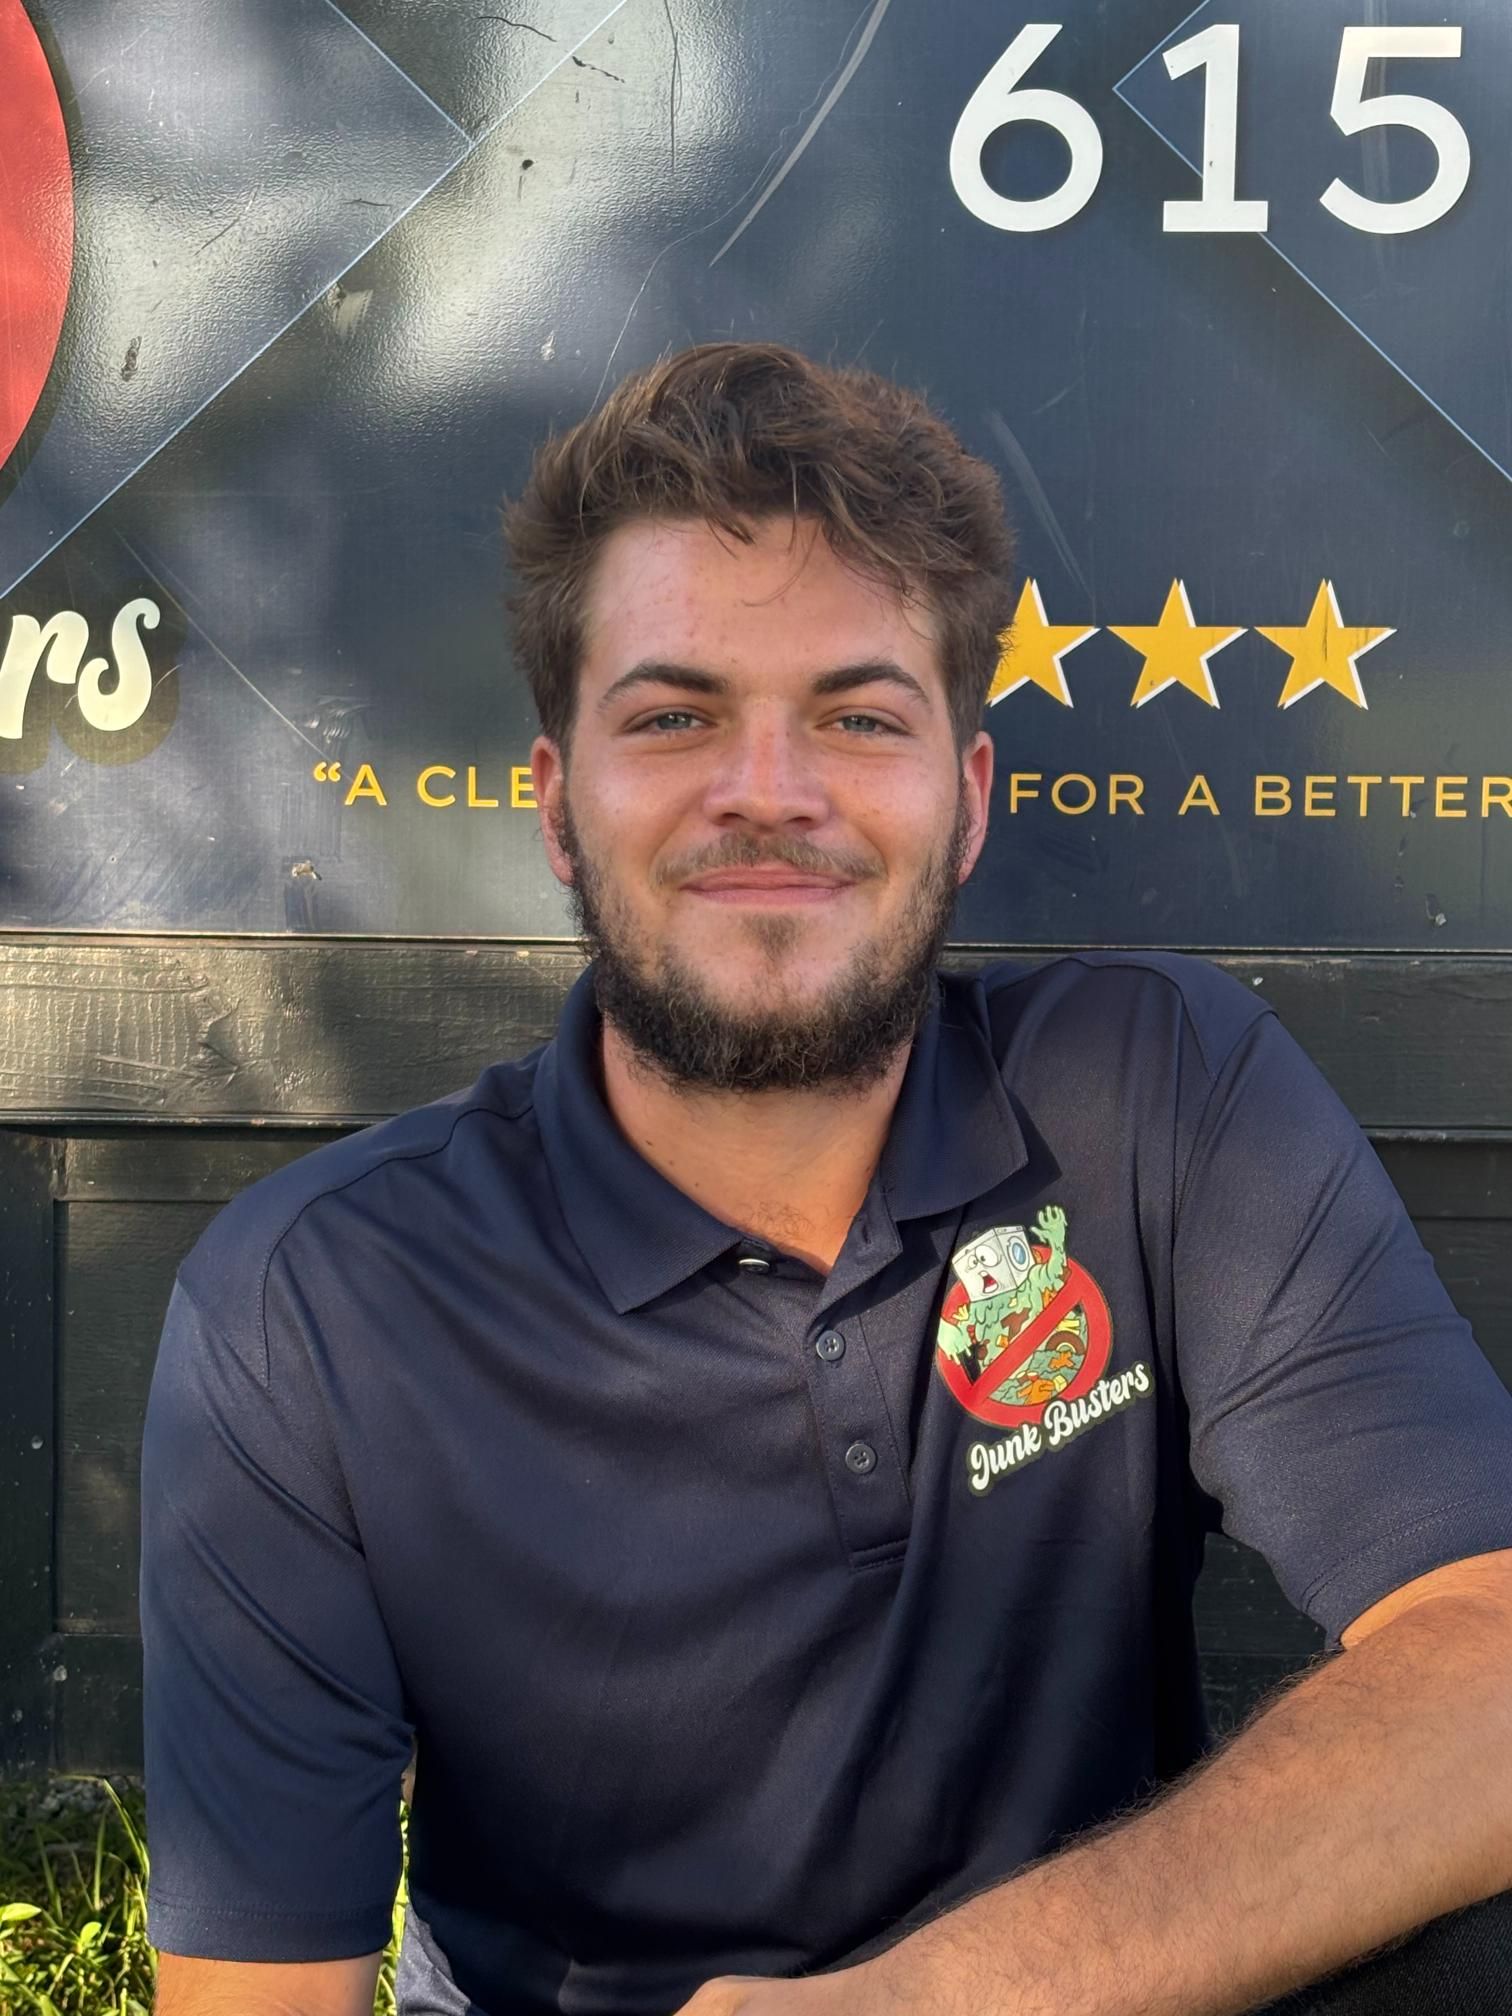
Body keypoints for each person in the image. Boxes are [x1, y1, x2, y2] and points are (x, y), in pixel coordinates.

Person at [140, 343, 1512, 2016]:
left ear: (973, 799)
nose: (769, 795)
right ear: (556, 805)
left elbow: (1492, 1666)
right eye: (674, 717)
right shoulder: (312, 1306)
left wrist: (917, 2006)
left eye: (858, 716)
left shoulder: (1157, 1091)